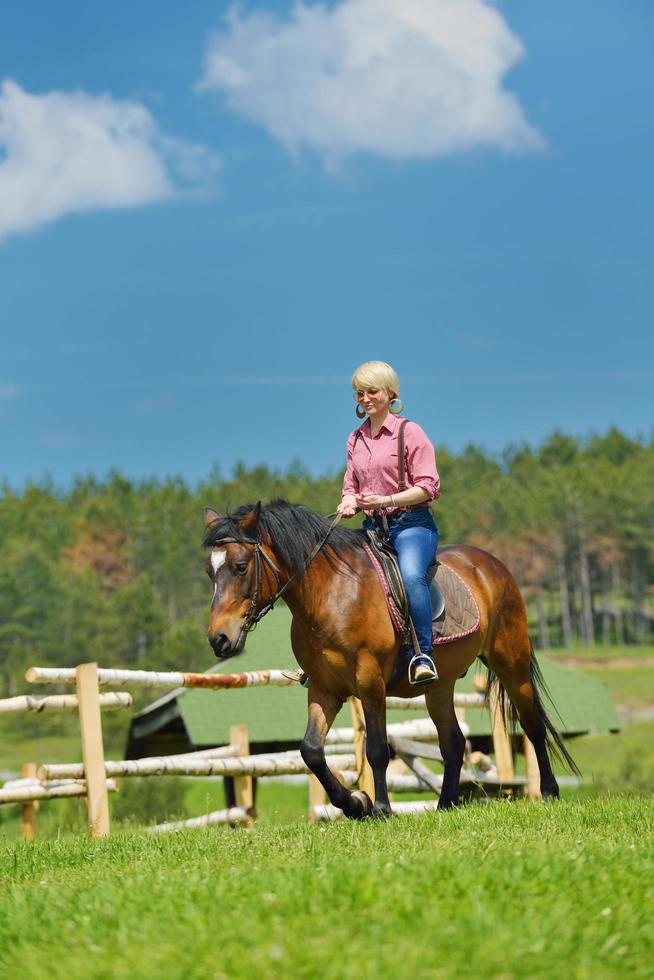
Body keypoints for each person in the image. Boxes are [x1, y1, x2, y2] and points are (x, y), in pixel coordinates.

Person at [337, 360, 441, 685]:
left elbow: (429, 487)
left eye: (372, 391)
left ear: (390, 393)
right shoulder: (354, 439)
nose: (365, 398)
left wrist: (386, 501)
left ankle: (422, 654)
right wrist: (349, 501)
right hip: (372, 530)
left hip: (412, 526)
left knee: (411, 576)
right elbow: (350, 485)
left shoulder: (410, 432)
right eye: (359, 393)